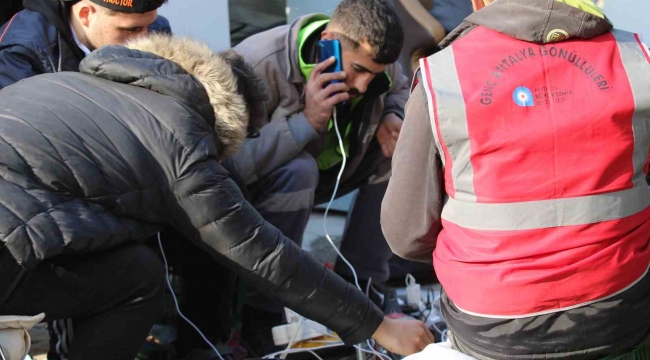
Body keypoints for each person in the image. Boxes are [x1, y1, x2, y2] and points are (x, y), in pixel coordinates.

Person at [0, 33, 433, 360]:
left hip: (17, 230)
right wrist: (377, 326)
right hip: (8, 248)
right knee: (137, 279)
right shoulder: (180, 137)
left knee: (129, 261)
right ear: (229, 122)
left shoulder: (67, 83)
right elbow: (264, 256)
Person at [382, 0, 650, 359]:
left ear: (479, 1)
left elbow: (405, 235)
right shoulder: (636, 59)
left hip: (490, 327)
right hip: (620, 312)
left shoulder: (442, 75)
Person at [230, 0, 409, 348]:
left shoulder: (376, 69)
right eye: (357, 69)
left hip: (337, 169)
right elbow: (230, 164)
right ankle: (263, 310)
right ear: (327, 39)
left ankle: (364, 286)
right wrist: (306, 122)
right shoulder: (254, 64)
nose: (362, 85)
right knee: (299, 170)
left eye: (374, 74)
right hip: (261, 188)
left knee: (397, 152)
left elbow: (399, 85)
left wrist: (393, 114)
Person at [0, 0, 171, 89]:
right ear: (85, 14)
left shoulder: (157, 30)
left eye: (150, 24)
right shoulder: (20, 55)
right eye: (132, 30)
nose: (144, 39)